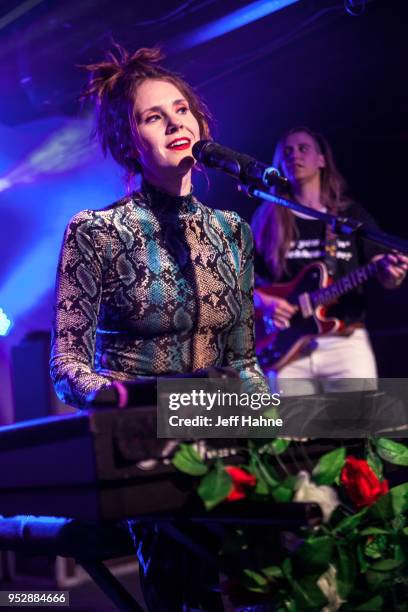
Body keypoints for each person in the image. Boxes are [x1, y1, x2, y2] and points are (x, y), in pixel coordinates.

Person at [50, 45, 268, 610]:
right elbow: (67, 366)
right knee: (188, 594)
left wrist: (278, 430)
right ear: (129, 142)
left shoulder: (232, 231)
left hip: (226, 438)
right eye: (153, 116)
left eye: (181, 110)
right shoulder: (97, 232)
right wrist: (126, 400)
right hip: (149, 447)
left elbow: (243, 361)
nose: (175, 123)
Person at [251, 126, 408, 394]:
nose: (294, 156)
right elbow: (240, 280)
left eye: (303, 149)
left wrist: (393, 274)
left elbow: (386, 271)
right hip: (288, 349)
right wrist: (265, 303)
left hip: (344, 343)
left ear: (322, 160)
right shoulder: (268, 217)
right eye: (286, 152)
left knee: (356, 432)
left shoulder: (349, 216)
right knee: (295, 433)